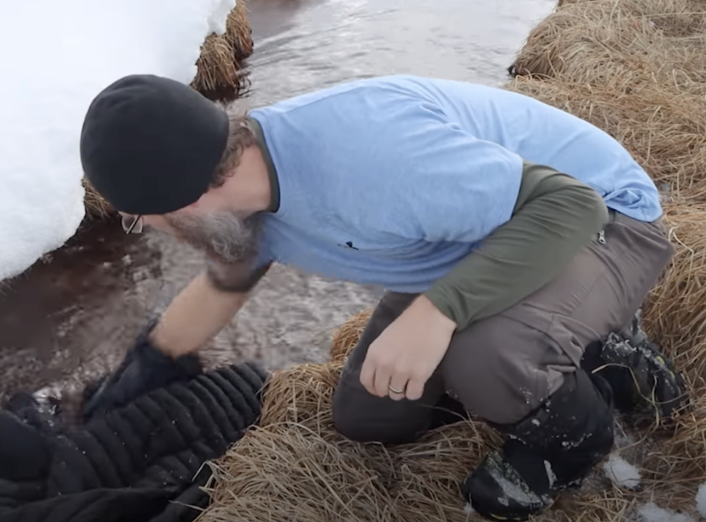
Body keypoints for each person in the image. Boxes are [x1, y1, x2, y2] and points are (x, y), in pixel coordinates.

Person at [77, 73, 689, 521]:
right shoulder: (238, 203)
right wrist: (144, 370)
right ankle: (563, 341)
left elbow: (570, 205)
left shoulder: (368, 157)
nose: (148, 228)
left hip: (604, 219)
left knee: (484, 356)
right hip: (480, 239)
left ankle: (579, 433)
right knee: (370, 416)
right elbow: (221, 285)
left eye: (141, 218)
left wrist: (437, 312)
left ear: (183, 195)